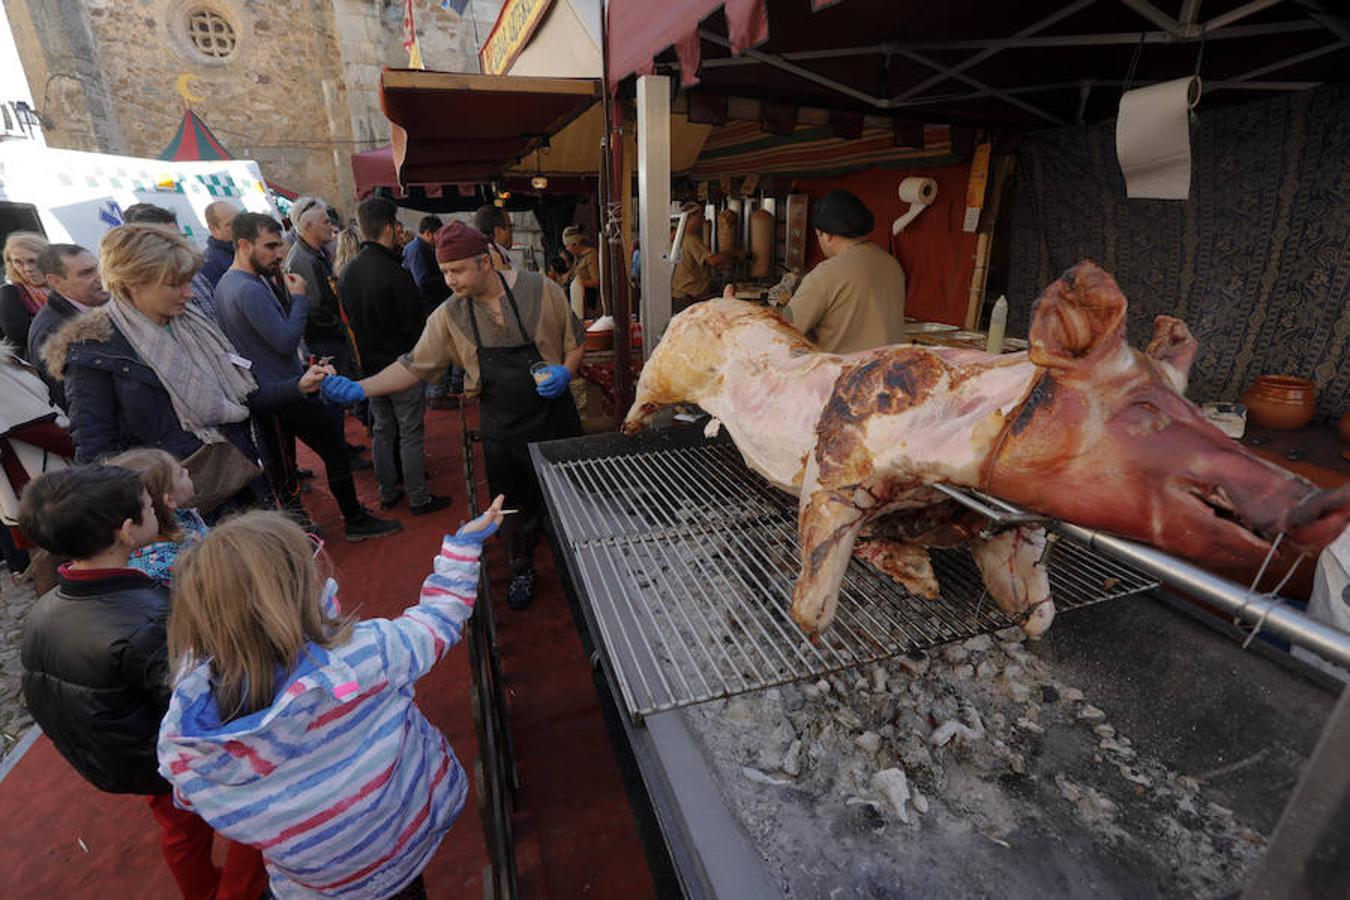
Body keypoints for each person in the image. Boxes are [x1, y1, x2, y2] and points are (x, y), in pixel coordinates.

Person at [158, 496, 504, 899]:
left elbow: (187, 796)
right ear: (302, 588)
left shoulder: (188, 741)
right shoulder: (366, 654)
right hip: (400, 848)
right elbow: (438, 621)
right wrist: (464, 547)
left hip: (316, 886)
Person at [18, 465, 267, 899]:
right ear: (127, 532)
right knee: (257, 816)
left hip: (127, 755)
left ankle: (201, 890)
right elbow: (199, 697)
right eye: (150, 507)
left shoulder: (45, 609)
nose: (156, 510)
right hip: (172, 757)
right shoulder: (148, 615)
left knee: (180, 831)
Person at [322, 222, 583, 609]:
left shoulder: (544, 290)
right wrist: (362, 387)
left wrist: (566, 371)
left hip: (555, 420)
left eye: (457, 270)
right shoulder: (448, 316)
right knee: (510, 507)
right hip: (502, 427)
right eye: (444, 271)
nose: (449, 280)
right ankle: (521, 566)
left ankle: (578, 567)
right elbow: (413, 366)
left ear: (484, 262)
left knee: (569, 500)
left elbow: (573, 344)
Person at [43, 225, 330, 512]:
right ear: (133, 282)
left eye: (188, 281)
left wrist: (298, 386)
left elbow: (243, 397)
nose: (189, 294)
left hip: (240, 481)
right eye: (174, 284)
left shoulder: (194, 324)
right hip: (179, 510)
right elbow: (96, 453)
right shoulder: (94, 351)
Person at [214, 212, 399, 542]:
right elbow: (285, 340)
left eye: (279, 246)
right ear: (243, 245)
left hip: (268, 387)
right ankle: (352, 519)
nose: (278, 254)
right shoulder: (246, 289)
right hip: (284, 389)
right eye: (270, 247)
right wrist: (299, 299)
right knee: (330, 450)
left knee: (282, 464)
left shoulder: (230, 284)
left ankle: (296, 525)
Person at [340, 197, 449, 516]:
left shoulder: (349, 272)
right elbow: (416, 326)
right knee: (410, 432)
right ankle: (418, 497)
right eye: (398, 226)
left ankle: (388, 492)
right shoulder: (395, 273)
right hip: (401, 365)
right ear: (389, 228)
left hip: (371, 370)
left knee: (383, 430)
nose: (401, 232)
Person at [780, 188, 906, 353]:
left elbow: (784, 330)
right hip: (887, 373)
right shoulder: (892, 265)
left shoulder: (826, 273)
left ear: (827, 235)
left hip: (842, 375)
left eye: (818, 236)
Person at [29, 243, 110, 409]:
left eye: (99, 267)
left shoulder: (85, 311)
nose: (101, 276)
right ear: (57, 282)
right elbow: (77, 405)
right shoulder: (55, 331)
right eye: (87, 273)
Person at [113, 447, 208, 586]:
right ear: (169, 500)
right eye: (181, 473)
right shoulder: (164, 566)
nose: (187, 471)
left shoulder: (180, 518)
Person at [121, 203, 221, 323]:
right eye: (168, 242)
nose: (189, 294)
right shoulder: (144, 307)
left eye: (179, 238)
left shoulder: (196, 274)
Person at [671, 202, 739, 311]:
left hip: (678, 295)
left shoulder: (677, 238)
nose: (702, 220)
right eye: (700, 216)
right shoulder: (691, 239)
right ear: (691, 217)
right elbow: (712, 261)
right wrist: (733, 252)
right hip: (688, 297)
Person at [1, 231, 50, 356]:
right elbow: (23, 337)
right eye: (18, 262)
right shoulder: (9, 294)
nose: (27, 268)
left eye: (32, 261)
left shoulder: (68, 286)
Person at [403, 213, 446, 314]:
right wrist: (447, 277)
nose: (441, 238)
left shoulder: (426, 247)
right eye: (438, 235)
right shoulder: (417, 249)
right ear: (428, 234)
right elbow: (423, 283)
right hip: (425, 307)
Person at [200, 201, 240, 289]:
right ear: (213, 229)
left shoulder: (242, 249)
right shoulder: (210, 263)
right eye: (230, 224)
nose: (239, 226)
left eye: (240, 220)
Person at [562, 225, 600, 315]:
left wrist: (579, 282)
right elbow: (577, 270)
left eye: (568, 246)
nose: (566, 249)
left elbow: (596, 281)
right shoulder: (577, 256)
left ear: (575, 244)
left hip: (588, 302)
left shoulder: (590, 255)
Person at [474, 205, 515, 273]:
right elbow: (510, 281)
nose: (511, 231)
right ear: (498, 231)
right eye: (510, 226)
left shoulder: (477, 253)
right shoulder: (495, 258)